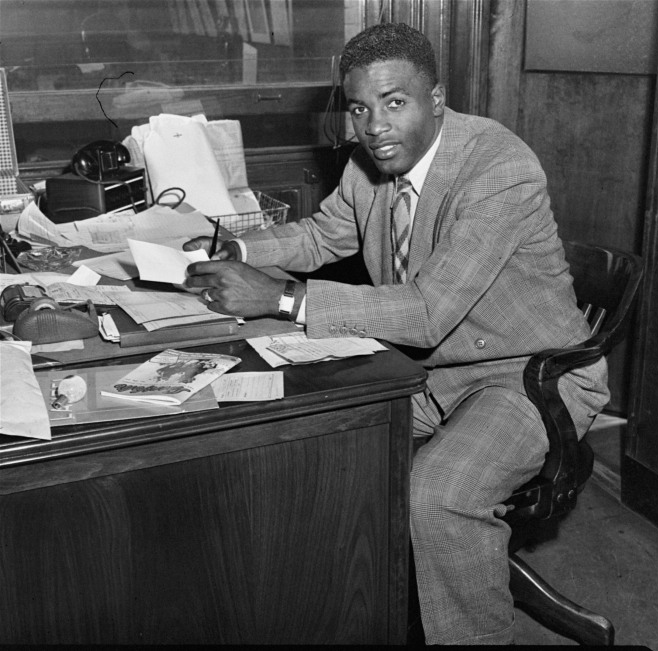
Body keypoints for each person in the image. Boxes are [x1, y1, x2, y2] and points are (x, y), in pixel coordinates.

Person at [183, 22, 609, 645]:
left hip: (528, 376)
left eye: (395, 102)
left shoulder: (499, 166)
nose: (374, 125)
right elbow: (320, 236)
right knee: (300, 431)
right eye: (360, 108)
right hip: (429, 369)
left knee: (439, 492)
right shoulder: (368, 166)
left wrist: (278, 296)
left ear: (436, 99)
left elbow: (429, 310)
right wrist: (232, 246)